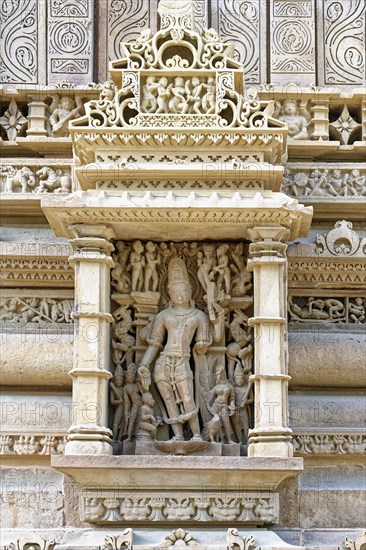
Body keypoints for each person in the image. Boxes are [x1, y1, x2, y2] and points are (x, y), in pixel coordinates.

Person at [138, 257, 210, 441]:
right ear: (168, 292)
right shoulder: (163, 315)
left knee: (187, 398)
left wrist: (218, 321)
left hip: (183, 361)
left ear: (190, 290)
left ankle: (196, 435)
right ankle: (177, 436)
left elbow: (204, 343)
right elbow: (155, 343)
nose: (179, 295)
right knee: (169, 400)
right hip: (163, 361)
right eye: (175, 291)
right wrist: (144, 364)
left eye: (183, 290)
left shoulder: (199, 316)